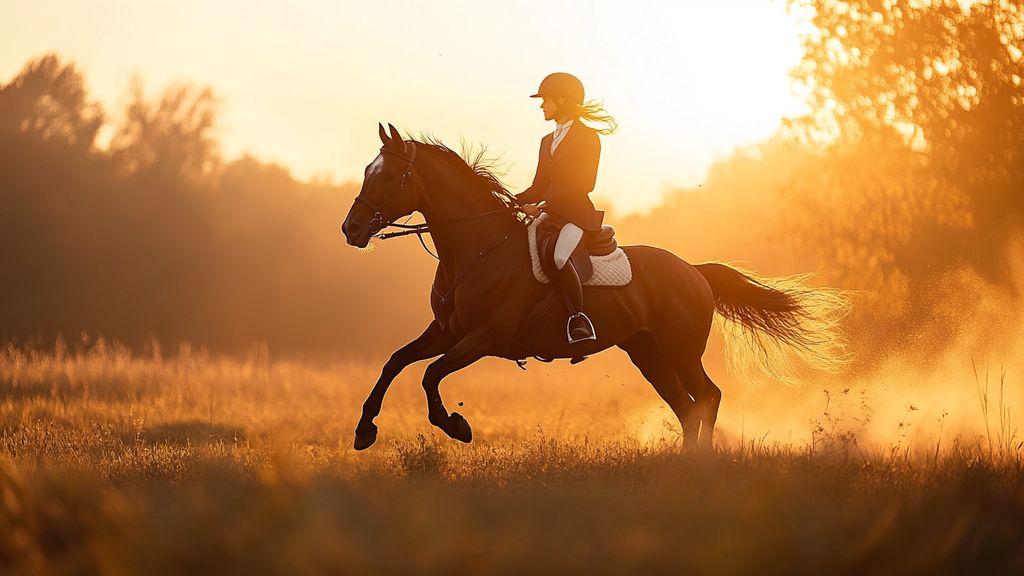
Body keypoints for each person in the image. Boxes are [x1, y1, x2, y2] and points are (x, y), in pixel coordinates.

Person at [515, 72, 618, 344]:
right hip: (551, 214)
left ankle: (578, 320)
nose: (541, 106)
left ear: (561, 100)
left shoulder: (588, 137)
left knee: (560, 257)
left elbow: (586, 183)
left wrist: (544, 205)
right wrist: (511, 200)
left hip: (577, 216)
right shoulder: (546, 141)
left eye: (545, 100)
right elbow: (538, 185)